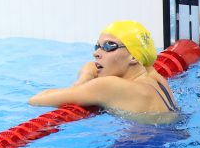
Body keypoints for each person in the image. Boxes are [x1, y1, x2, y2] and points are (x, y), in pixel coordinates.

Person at [29, 21, 180, 123]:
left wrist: (79, 87)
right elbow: (91, 66)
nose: (97, 53)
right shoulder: (151, 74)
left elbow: (37, 100)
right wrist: (85, 77)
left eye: (109, 46)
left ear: (133, 56)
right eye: (97, 47)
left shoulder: (109, 86)